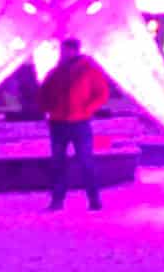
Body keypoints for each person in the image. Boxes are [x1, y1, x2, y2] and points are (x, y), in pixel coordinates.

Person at [38, 36, 111, 210]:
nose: (63, 53)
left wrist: (87, 109)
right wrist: (48, 108)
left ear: (75, 50)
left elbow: (101, 93)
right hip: (59, 122)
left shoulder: (88, 70)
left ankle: (93, 198)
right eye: (62, 50)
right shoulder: (56, 72)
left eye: (66, 50)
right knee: (59, 162)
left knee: (85, 161)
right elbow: (43, 93)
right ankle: (58, 199)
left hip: (79, 122)